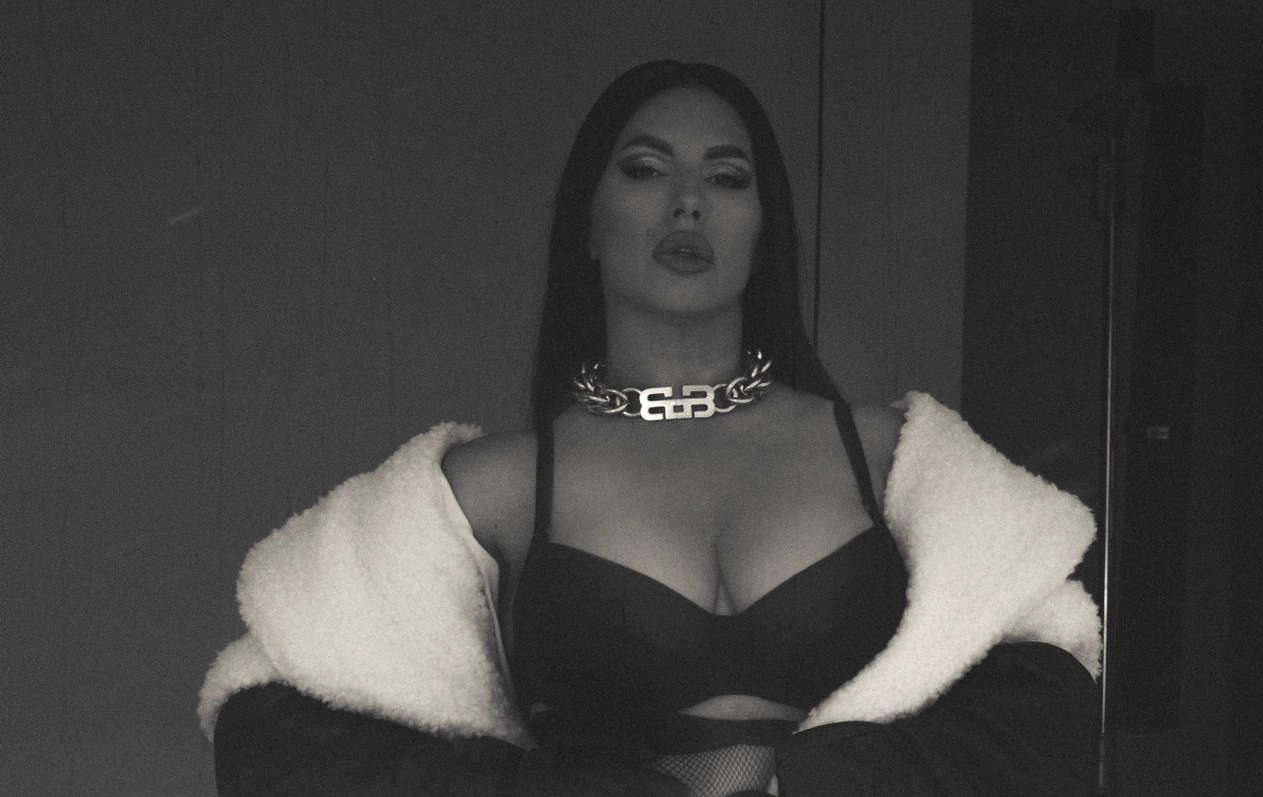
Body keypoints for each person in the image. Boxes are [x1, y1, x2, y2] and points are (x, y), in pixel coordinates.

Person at [198, 60, 1102, 797]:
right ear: (588, 225)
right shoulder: (494, 487)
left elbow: (1050, 698)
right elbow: (265, 725)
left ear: (763, 234)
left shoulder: (888, 455)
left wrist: (810, 783)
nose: (688, 201)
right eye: (645, 168)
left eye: (727, 177)